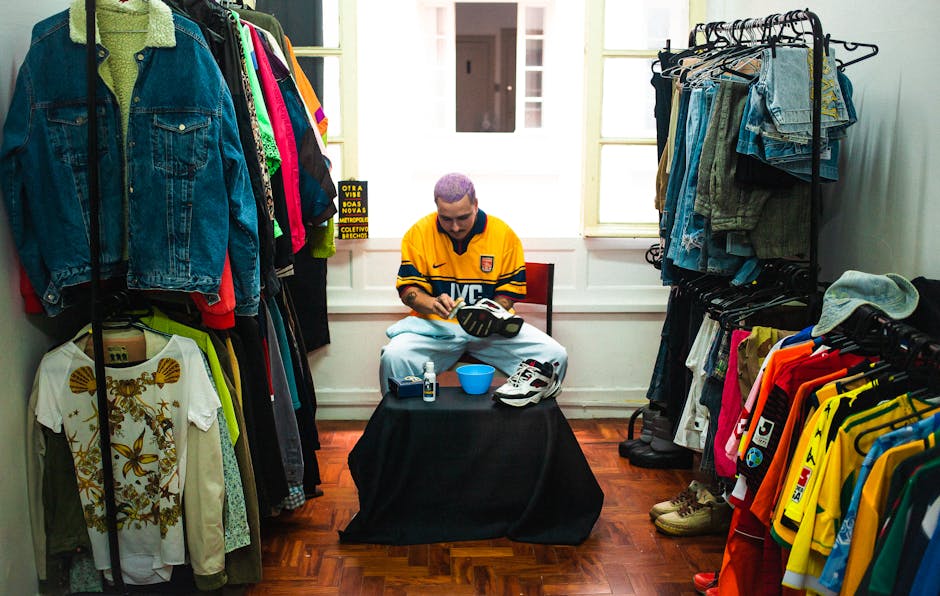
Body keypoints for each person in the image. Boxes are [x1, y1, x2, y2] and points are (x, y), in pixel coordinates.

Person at [379, 173, 568, 406]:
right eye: (446, 219)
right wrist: (433, 304)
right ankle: (402, 425)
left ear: (475, 205)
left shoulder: (503, 234)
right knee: (394, 357)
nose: (455, 227)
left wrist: (488, 313)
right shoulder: (418, 233)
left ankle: (526, 425)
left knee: (555, 355)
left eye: (463, 217)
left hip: (492, 330)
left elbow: (508, 294)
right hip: (435, 328)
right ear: (437, 207)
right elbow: (410, 291)